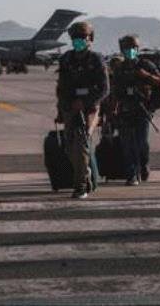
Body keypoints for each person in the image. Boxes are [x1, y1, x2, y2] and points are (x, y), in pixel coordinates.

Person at [56, 21, 109, 199]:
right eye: (75, 38)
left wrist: (85, 102)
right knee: (70, 147)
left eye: (82, 38)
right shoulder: (66, 59)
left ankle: (81, 186)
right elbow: (61, 87)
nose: (78, 41)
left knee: (82, 141)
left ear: (90, 39)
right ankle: (87, 176)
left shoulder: (96, 60)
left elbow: (104, 89)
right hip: (70, 107)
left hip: (90, 107)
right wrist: (62, 108)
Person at [110, 35, 160, 185]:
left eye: (133, 48)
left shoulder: (146, 65)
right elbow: (115, 90)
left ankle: (144, 165)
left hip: (142, 109)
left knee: (141, 143)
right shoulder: (119, 69)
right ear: (122, 50)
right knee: (127, 144)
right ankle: (131, 174)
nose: (130, 51)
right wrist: (113, 109)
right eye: (127, 48)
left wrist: (146, 75)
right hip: (125, 110)